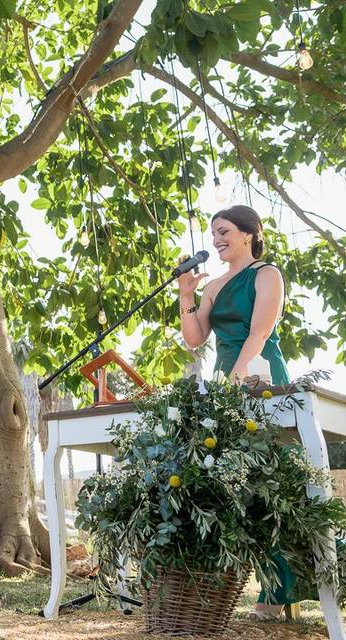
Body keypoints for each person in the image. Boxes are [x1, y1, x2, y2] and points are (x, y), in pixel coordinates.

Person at [176, 205, 294, 619]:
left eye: (223, 231)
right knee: (233, 485)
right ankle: (255, 582)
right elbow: (195, 338)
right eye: (213, 234)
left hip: (261, 376)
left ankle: (277, 592)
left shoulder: (267, 275)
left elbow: (260, 332)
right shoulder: (215, 286)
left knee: (270, 479)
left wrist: (237, 379)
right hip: (225, 378)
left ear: (249, 233)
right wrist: (186, 294)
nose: (216, 240)